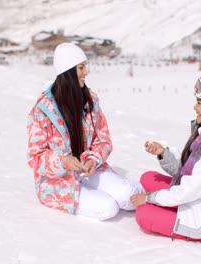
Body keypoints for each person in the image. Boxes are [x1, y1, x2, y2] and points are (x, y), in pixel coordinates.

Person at [27, 43, 143, 220]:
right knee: (108, 208)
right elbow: (35, 158)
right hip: (58, 182)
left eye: (85, 67)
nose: (85, 72)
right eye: (81, 67)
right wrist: (63, 162)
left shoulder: (89, 100)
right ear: (68, 71)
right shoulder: (43, 110)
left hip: (88, 170)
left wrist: (92, 159)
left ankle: (156, 198)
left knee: (128, 197)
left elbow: (103, 139)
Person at [130, 77, 201, 241]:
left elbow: (189, 189)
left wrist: (148, 199)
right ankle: (163, 204)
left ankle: (170, 213)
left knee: (143, 215)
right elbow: (187, 171)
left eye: (199, 103)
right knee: (147, 178)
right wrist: (163, 153)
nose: (194, 107)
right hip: (198, 197)